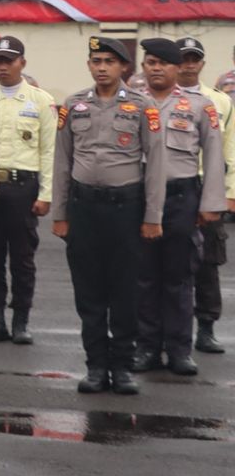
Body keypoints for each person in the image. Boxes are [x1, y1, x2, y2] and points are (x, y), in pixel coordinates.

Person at [51, 36, 166, 395]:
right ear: (89, 65)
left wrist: (153, 216)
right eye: (96, 61)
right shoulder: (73, 106)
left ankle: (123, 367)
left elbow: (157, 164)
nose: (101, 67)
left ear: (123, 68)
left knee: (125, 291)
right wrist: (60, 212)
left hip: (125, 209)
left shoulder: (142, 106)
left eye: (109, 62)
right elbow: (61, 162)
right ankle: (96, 366)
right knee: (89, 292)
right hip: (84, 209)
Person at [132, 38, 224, 377]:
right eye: (150, 62)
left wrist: (212, 203)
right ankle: (147, 348)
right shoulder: (133, 104)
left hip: (182, 198)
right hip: (140, 198)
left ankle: (180, 350)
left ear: (175, 68)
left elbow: (214, 156)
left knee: (179, 277)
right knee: (143, 278)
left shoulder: (200, 106)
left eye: (162, 63)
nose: (155, 68)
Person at [0, 36, 55, 346]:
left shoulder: (40, 100)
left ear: (22, 62)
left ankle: (21, 320)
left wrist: (46, 194)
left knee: (23, 260)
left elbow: (48, 151)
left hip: (24, 188)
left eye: (9, 60)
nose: (3, 66)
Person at [176, 36, 235, 354]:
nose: (188, 64)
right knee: (167, 263)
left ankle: (207, 328)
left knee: (208, 263)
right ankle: (166, 330)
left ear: (202, 63)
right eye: (183, 58)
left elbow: (231, 148)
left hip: (208, 188)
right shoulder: (157, 97)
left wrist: (231, 193)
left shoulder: (220, 102)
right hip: (173, 190)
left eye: (194, 58)